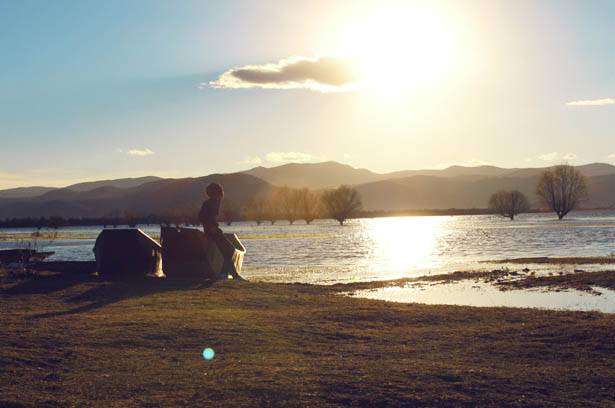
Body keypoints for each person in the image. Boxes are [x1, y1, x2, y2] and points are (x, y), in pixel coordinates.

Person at [198, 183, 245, 280]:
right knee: (229, 250)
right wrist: (211, 227)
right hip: (213, 231)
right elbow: (202, 217)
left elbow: (204, 217)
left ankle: (229, 274)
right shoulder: (211, 203)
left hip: (213, 230)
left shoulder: (213, 202)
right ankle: (229, 274)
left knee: (227, 251)